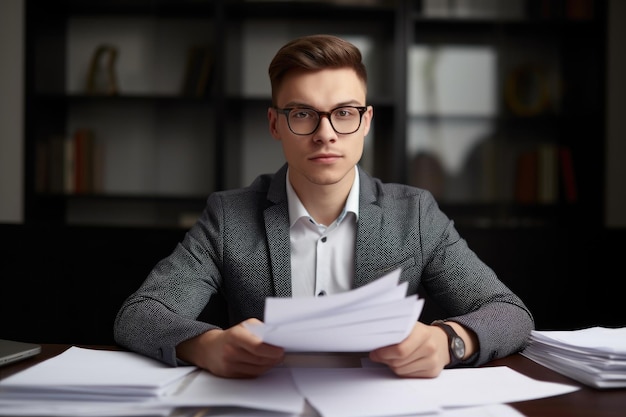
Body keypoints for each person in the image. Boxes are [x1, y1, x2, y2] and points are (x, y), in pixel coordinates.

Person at [114, 34, 534, 379]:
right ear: (275, 123)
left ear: (365, 122)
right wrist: (207, 346)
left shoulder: (415, 215)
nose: (325, 134)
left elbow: (509, 313)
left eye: (344, 113)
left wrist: (449, 341)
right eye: (303, 114)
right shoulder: (229, 216)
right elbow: (141, 314)